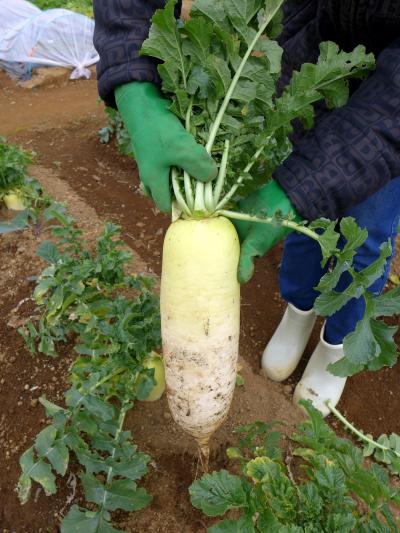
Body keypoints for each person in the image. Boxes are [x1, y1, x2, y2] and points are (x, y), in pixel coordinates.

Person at [92, 1, 400, 416]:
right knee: (304, 224)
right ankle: (299, 311)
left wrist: (304, 185)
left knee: (366, 238)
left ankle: (337, 345)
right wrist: (131, 78)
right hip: (316, 44)